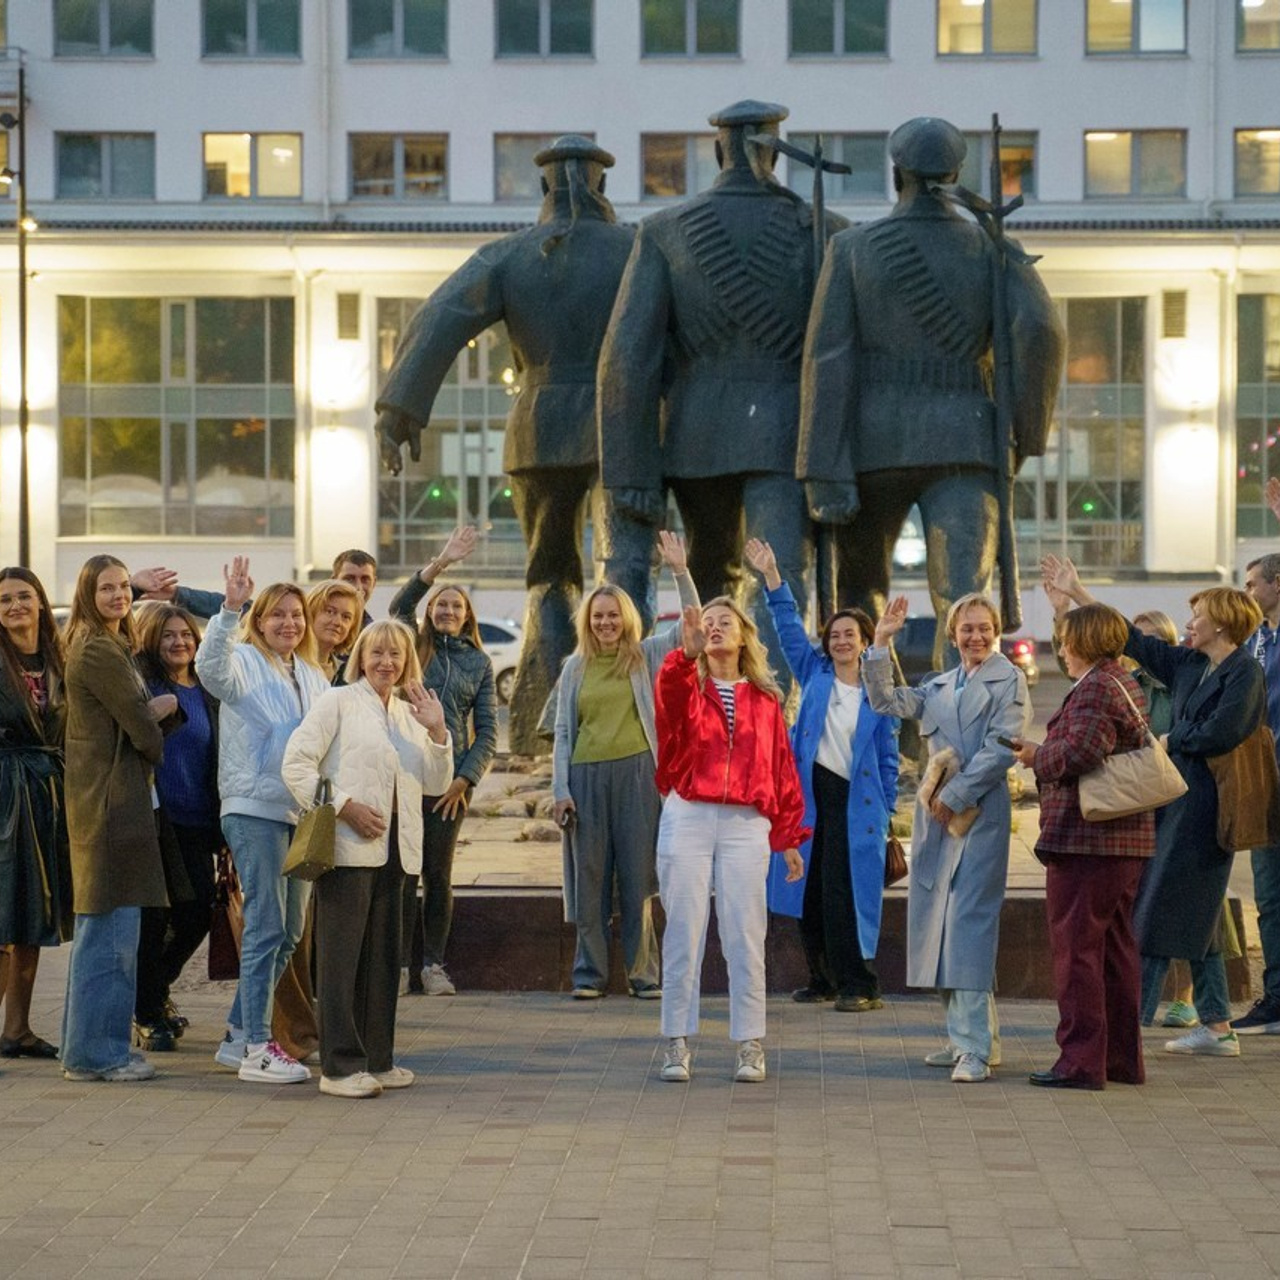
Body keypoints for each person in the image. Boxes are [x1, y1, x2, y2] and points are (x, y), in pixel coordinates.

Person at [378, 135, 636, 753]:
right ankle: (620, 717)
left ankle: (545, 725)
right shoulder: (636, 249)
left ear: (545, 185)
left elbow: (440, 316)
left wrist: (401, 407)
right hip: (621, 425)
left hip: (539, 428)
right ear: (601, 184)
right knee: (624, 570)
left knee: (549, 576)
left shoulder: (512, 255)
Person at [797, 116, 1064, 658]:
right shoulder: (993, 249)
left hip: (874, 448)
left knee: (859, 600)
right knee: (965, 601)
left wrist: (823, 466)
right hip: (967, 443)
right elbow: (1040, 330)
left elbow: (828, 361)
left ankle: (877, 726)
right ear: (956, 172)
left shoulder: (852, 248)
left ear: (897, 175)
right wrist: (1023, 434)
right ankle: (959, 732)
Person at [598, 100, 847, 678]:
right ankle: (771, 708)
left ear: (718, 150)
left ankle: (713, 702)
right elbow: (838, 354)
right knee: (780, 578)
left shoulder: (664, 231)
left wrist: (631, 469)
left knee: (709, 581)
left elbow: (627, 359)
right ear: (774, 150)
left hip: (694, 438)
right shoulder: (825, 232)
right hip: (787, 437)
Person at [1044, 556, 1266, 1058]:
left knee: (1161, 909)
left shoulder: (1244, 673)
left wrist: (1170, 738)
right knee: (1198, 911)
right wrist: (1079, 593)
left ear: (1223, 624)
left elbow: (1225, 732)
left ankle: (1126, 1025)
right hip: (1173, 798)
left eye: (1198, 616)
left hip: (1207, 803)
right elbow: (1129, 638)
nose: (1189, 623)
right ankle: (1216, 1025)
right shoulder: (1189, 664)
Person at [283, 620, 454, 1098]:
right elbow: (295, 764)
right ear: (360, 656)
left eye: (396, 655)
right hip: (349, 848)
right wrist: (344, 807)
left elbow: (437, 784)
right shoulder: (338, 702)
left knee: (383, 959)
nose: (386, 662)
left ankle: (378, 1059)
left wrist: (438, 732)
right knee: (342, 961)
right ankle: (339, 1066)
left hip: (399, 850)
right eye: (377, 652)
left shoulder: (409, 714)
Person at [863, 592, 1029, 1083]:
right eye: (966, 628)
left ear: (996, 631)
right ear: (952, 634)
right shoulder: (940, 683)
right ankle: (971, 1040)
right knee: (938, 924)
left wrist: (955, 794)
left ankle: (973, 1049)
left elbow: (1003, 746)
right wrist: (880, 642)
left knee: (968, 929)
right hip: (935, 818)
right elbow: (885, 701)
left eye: (983, 628)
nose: (975, 636)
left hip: (979, 813)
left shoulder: (1009, 679)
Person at [653, 597, 807, 1085]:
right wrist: (684, 654)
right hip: (689, 815)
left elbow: (781, 769)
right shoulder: (685, 684)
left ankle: (750, 1042)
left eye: (726, 622)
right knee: (684, 930)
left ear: (744, 636)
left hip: (746, 823)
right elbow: (668, 693)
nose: (716, 629)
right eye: (709, 623)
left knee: (745, 933)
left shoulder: (765, 699)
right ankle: (676, 1041)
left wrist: (787, 836)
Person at [744, 538, 899, 1012]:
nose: (841, 641)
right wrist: (772, 577)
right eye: (835, 635)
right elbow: (789, 629)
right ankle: (823, 978)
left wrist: (889, 808)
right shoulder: (814, 672)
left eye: (850, 635)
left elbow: (889, 755)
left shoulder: (879, 688)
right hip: (811, 798)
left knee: (847, 895)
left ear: (865, 641)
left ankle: (860, 985)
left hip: (858, 804)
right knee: (807, 890)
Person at [1009, 603, 1156, 1089]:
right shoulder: (1120, 680)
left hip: (1089, 840)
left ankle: (1080, 1062)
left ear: (1086, 641)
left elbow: (1081, 752)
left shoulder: (1095, 686)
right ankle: (1119, 1060)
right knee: (1115, 950)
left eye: (1066, 638)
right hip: (1121, 842)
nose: (1062, 648)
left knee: (1077, 953)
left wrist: (1037, 755)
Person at [196, 557, 331, 1084]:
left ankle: (236, 1034)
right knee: (266, 927)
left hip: (300, 817)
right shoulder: (243, 662)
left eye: (296, 615)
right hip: (253, 811)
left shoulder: (314, 675)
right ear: (260, 620)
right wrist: (229, 608)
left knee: (291, 933)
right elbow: (210, 668)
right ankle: (256, 1047)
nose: (288, 624)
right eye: (277, 614)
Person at [552, 531, 700, 1000]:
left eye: (613, 615)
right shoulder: (575, 667)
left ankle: (643, 975)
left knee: (638, 879)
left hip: (638, 776)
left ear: (627, 619)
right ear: (588, 622)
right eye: (598, 616)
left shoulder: (649, 654)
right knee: (589, 880)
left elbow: (692, 631)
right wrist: (560, 789)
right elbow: (561, 733)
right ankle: (589, 976)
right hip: (586, 778)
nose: (606, 623)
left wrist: (680, 570)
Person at [60, 555, 175, 1083]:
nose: (118, 596)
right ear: (87, 594)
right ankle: (96, 1055)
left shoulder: (101, 642)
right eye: (106, 588)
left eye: (124, 587)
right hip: (111, 806)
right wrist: (162, 710)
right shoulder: (101, 648)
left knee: (106, 936)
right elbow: (140, 729)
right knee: (108, 941)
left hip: (108, 804)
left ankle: (89, 1049)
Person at [390, 526, 498, 996]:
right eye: (441, 604)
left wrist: (465, 778)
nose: (448, 610)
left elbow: (489, 731)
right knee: (397, 874)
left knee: (437, 875)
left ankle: (432, 965)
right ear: (431, 612)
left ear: (466, 615)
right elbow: (397, 607)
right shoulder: (413, 645)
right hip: (401, 775)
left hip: (448, 787)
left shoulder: (479, 664)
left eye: (457, 605)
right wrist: (442, 564)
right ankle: (391, 966)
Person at [132, 605, 222, 1051]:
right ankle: (148, 1013)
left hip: (199, 818)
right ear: (152, 639)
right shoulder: (145, 686)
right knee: (154, 918)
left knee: (197, 913)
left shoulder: (207, 690)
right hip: (155, 819)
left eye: (186, 634)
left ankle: (148, 990)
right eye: (168, 635)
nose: (179, 642)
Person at [0, 567, 70, 1061]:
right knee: (3, 917)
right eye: (4, 600)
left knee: (33, 912)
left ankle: (18, 1029)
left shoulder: (59, 658)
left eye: (23, 596)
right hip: (4, 793)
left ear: (41, 603)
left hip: (48, 794)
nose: (14, 606)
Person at [1234, 534, 1280, 1036]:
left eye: (1252, 584)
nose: (1245, 592)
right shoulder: (1257, 640)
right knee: (1268, 898)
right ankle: (1275, 999)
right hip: (1265, 784)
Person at [307, 579, 363, 683]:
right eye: (330, 612)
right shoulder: (288, 666)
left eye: (346, 617)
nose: (338, 622)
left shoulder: (348, 676)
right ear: (310, 613)